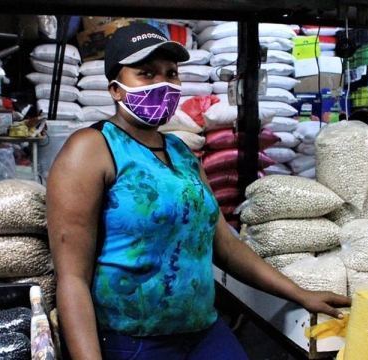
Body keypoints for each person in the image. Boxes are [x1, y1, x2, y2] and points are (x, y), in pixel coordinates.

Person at [47, 22, 351, 360]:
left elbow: (224, 245)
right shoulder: (91, 149)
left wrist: (299, 294)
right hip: (132, 341)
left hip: (203, 333)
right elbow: (72, 278)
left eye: (171, 73)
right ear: (116, 89)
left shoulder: (180, 152)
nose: (163, 83)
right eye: (146, 73)